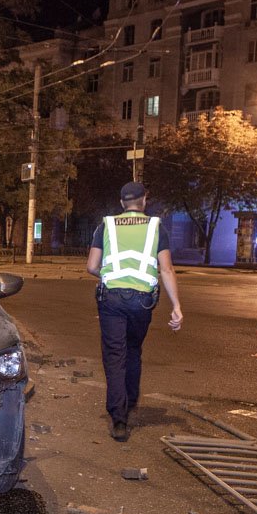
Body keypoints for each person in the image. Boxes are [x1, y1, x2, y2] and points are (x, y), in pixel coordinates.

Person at [87, 181, 183, 442]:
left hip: (112, 299)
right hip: (142, 301)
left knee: (114, 355)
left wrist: (109, 274)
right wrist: (176, 306)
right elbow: (166, 269)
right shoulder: (155, 227)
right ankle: (131, 404)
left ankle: (119, 420)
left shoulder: (105, 225)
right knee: (133, 351)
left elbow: (92, 265)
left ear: (121, 204)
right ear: (144, 201)